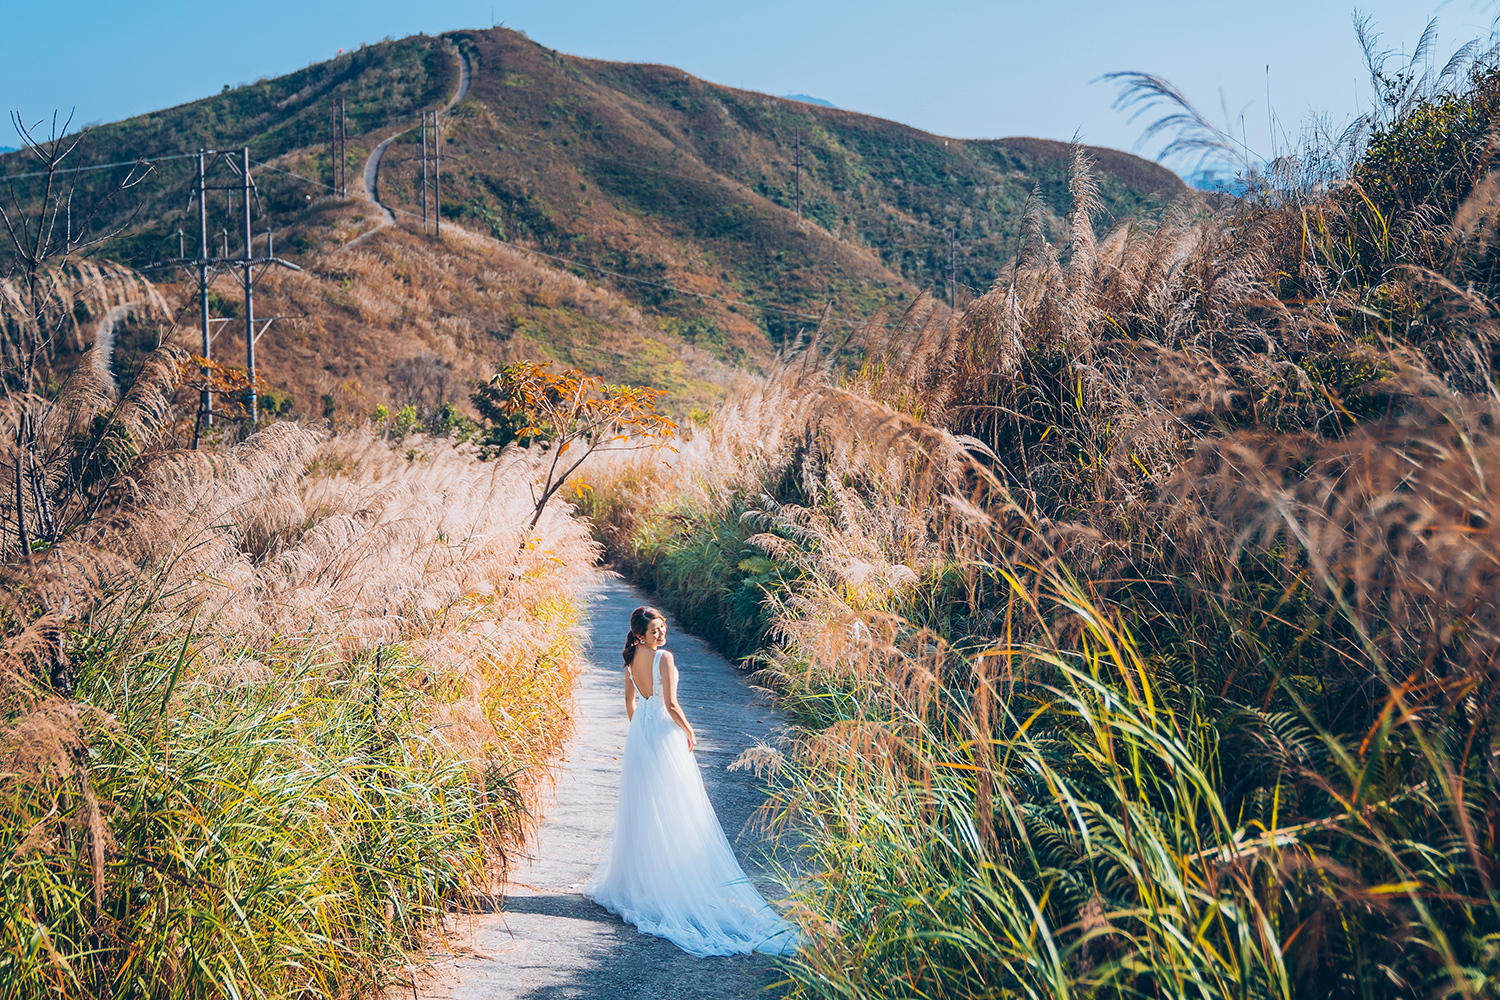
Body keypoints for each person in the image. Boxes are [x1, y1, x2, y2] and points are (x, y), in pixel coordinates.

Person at [583, 605, 798, 957]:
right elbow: (670, 704)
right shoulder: (662, 658)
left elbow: (630, 705)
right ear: (640, 634)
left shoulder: (629, 657)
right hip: (664, 732)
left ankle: (646, 881)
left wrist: (642, 729)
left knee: (647, 804)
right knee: (677, 802)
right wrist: (689, 730)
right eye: (654, 630)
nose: (661, 634)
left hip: (641, 734)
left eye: (663, 627)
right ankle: (672, 880)